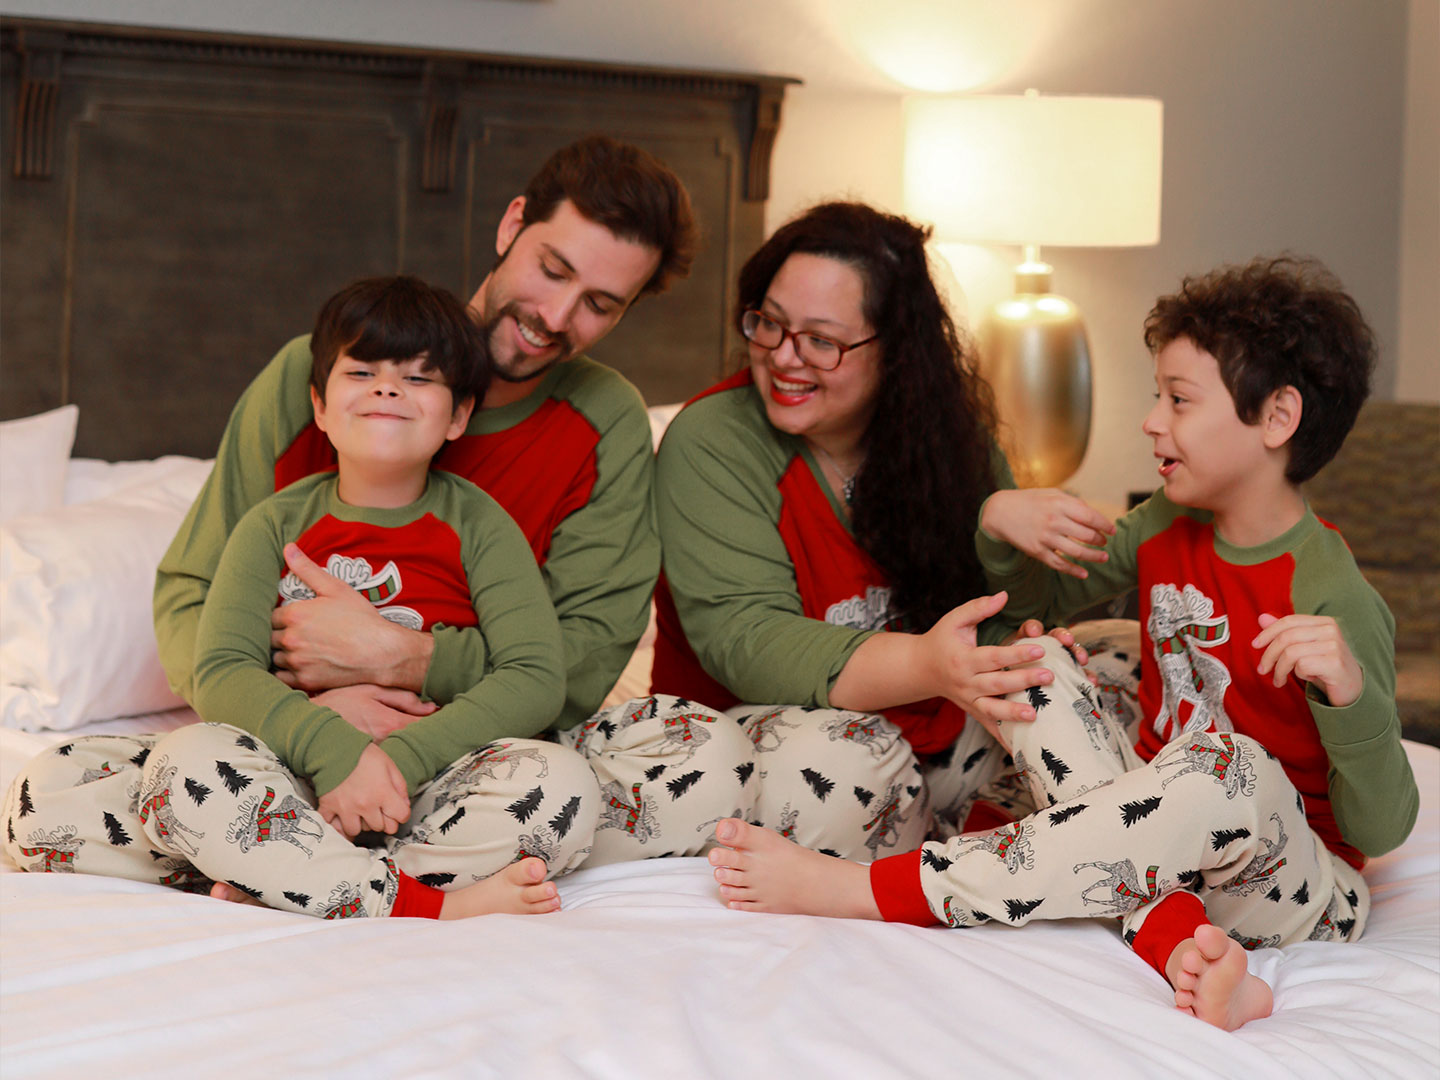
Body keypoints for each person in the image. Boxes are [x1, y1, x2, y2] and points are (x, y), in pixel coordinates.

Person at [705, 255, 1420, 1031]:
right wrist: (999, 520)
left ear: (1277, 419)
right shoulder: (1162, 525)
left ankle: (870, 890)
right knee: (1036, 662)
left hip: (1293, 879)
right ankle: (1175, 937)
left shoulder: (1335, 596)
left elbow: (1381, 828)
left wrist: (1349, 694)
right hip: (1151, 839)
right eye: (1158, 397)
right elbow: (1035, 607)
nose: (1152, 421)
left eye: (1178, 401)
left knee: (1226, 763)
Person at [153, 136, 753, 866]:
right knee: (70, 795)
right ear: (511, 226)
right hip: (285, 735)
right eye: (552, 268)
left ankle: (286, 866)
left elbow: (580, 663)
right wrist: (312, 718)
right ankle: (386, 868)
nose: (556, 316)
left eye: (599, 304)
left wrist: (407, 660)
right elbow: (192, 593)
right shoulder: (319, 372)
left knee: (707, 759)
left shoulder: (607, 421)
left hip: (481, 753)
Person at [5, 275, 603, 920]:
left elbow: (535, 677)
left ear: (459, 415)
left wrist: (395, 761)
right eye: (363, 371)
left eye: (420, 377)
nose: (387, 388)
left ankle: (277, 873)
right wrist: (335, 750)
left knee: (561, 783)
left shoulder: (483, 526)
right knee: (44, 797)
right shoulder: (272, 523)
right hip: (274, 772)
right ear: (319, 406)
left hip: (432, 777)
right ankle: (407, 895)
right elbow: (222, 669)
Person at [649, 202, 1120, 862]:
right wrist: (935, 664)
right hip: (775, 737)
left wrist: (1006, 580)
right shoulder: (710, 440)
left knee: (1103, 669)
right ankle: (943, 874)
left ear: (895, 351)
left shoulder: (953, 443)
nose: (784, 357)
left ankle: (1072, 874)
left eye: (822, 340)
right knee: (845, 763)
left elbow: (995, 627)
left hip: (937, 728)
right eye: (770, 325)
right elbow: (748, 643)